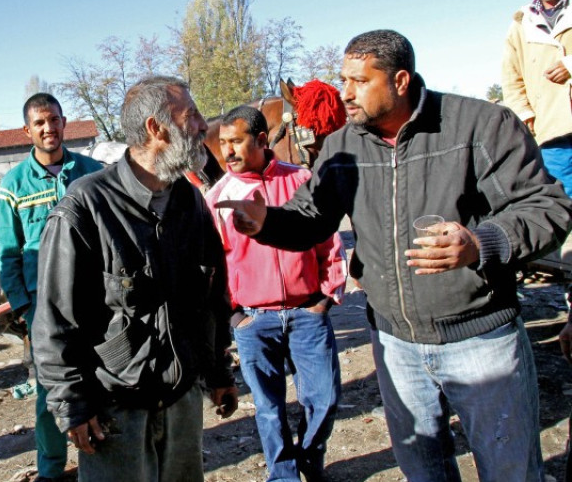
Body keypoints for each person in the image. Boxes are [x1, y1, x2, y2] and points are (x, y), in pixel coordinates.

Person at [216, 30, 572, 481]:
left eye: (359, 82)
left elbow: (548, 207)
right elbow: (311, 217)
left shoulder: (481, 126)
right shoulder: (344, 146)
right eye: (343, 80)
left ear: (401, 80)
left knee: (510, 471)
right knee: (424, 473)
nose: (345, 94)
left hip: (481, 340)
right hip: (395, 345)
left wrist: (482, 244)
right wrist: (266, 221)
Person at [32, 76, 239, 482]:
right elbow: (55, 321)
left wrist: (217, 371)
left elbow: (212, 298)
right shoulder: (85, 207)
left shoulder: (189, 200)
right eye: (191, 115)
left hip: (182, 404)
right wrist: (72, 405)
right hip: (114, 412)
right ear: (155, 128)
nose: (202, 126)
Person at [206, 104, 346, 482]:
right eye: (223, 144)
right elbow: (214, 266)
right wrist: (236, 316)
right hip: (255, 320)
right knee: (268, 408)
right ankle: (282, 475)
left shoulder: (302, 179)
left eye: (236, 142)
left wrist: (324, 299)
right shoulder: (218, 197)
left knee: (325, 399)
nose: (228, 152)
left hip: (307, 314)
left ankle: (310, 460)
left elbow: (329, 242)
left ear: (262, 139)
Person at [0, 92, 102, 482]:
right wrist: (24, 309)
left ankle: (101, 460)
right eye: (39, 123)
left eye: (54, 120)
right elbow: (7, 254)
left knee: (99, 380)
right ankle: (52, 470)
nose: (48, 128)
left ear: (63, 123)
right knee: (49, 393)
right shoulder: (13, 185)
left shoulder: (92, 172)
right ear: (28, 130)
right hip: (43, 310)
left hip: (94, 302)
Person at [503, 0, 572, 194]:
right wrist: (524, 112)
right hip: (552, 124)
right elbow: (512, 76)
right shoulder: (522, 24)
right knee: (561, 194)